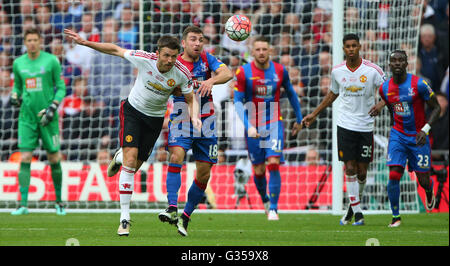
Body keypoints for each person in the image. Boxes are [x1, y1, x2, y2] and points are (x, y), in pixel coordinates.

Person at [64, 28, 201, 237]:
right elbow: (115, 50)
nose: (170, 60)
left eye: (174, 56)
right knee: (130, 161)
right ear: (157, 53)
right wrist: (85, 42)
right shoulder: (144, 59)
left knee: (134, 165)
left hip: (154, 120)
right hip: (133, 111)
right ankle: (125, 218)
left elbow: (191, 99)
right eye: (166, 55)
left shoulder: (182, 73)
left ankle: (118, 156)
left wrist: (196, 117)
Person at [302, 33, 386, 226]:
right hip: (345, 125)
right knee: (349, 168)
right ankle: (358, 214)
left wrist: (381, 105)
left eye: (354, 46)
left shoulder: (373, 70)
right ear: (343, 48)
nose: (351, 49)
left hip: (366, 125)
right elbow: (332, 94)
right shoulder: (337, 71)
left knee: (362, 172)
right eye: (347, 46)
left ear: (359, 47)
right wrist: (314, 114)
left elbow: (388, 92)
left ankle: (350, 210)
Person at [157, 25, 233, 237]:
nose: (197, 43)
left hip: (207, 120)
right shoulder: (175, 61)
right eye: (193, 39)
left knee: (204, 172)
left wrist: (211, 80)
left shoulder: (208, 60)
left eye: (200, 39)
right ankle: (172, 207)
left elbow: (227, 73)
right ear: (184, 43)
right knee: (176, 155)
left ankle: (186, 217)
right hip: (182, 116)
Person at [234, 36, 303, 221]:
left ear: (270, 50)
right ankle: (265, 200)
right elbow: (237, 102)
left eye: (265, 49)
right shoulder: (243, 72)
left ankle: (273, 208)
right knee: (258, 170)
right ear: (253, 51)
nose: (261, 53)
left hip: (274, 121)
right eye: (258, 50)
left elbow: (291, 93)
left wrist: (299, 117)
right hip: (253, 124)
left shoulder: (280, 70)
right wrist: (248, 126)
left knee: (273, 162)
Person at [369, 50, 441, 227]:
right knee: (394, 174)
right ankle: (395, 217)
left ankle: (429, 190)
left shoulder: (420, 84)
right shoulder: (384, 88)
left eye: (401, 60)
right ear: (389, 65)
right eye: (394, 61)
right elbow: (393, 110)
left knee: (423, 180)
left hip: (419, 136)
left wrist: (425, 130)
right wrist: (395, 131)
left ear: (407, 63)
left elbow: (437, 108)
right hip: (398, 135)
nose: (398, 63)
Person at [10, 28, 67, 216]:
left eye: (35, 39)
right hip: (26, 117)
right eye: (29, 40)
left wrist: (53, 107)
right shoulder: (18, 63)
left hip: (48, 117)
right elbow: (17, 86)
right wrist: (15, 95)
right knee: (25, 157)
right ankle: (23, 204)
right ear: (25, 42)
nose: (32, 43)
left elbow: (60, 87)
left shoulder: (51, 61)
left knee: (54, 158)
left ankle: (59, 202)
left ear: (40, 41)